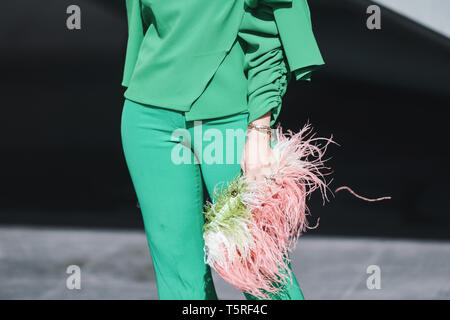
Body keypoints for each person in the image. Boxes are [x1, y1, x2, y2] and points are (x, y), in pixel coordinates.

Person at [120, 0, 324, 300]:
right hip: (149, 118)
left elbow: (268, 28)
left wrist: (259, 129)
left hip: (232, 119)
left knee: (265, 278)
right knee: (180, 286)